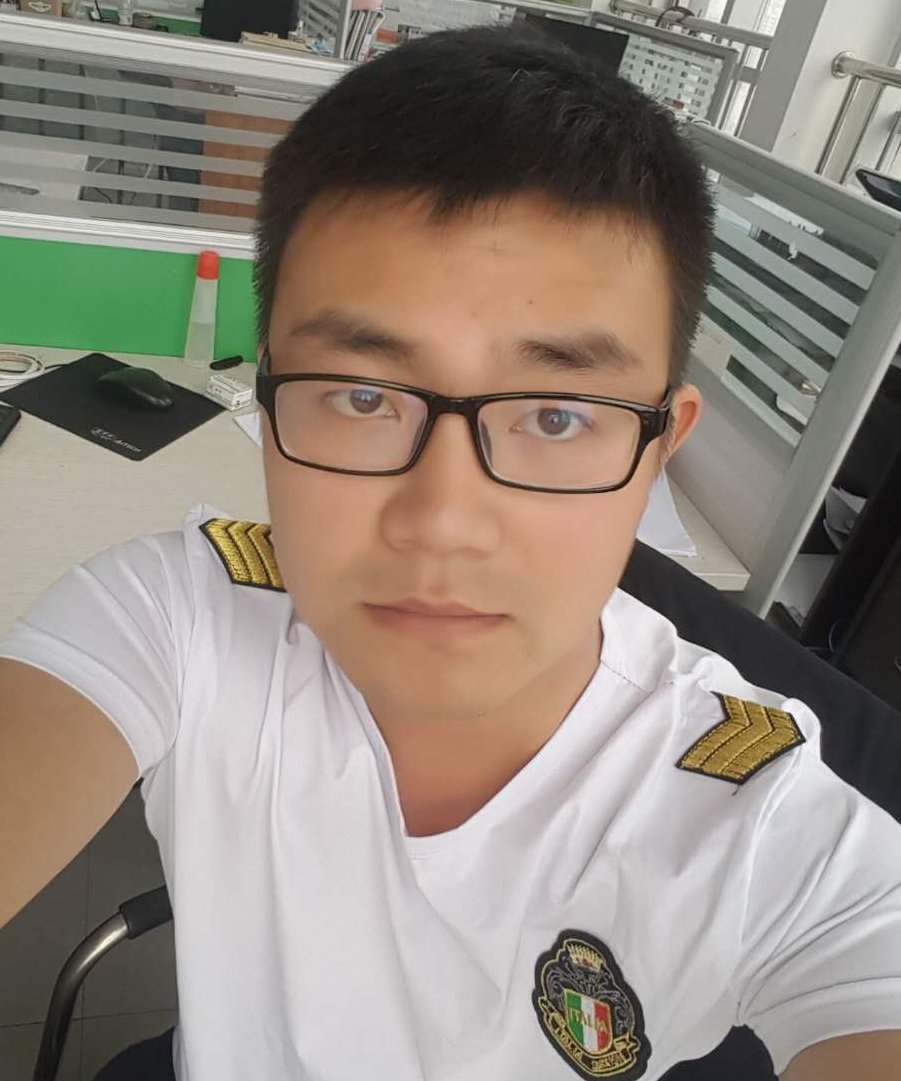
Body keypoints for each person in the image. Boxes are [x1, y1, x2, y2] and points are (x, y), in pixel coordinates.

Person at [2, 24, 900, 1081]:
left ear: (659, 450)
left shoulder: (760, 819)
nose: (441, 520)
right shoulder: (180, 614)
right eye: (362, 396)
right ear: (268, 399)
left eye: (557, 415)